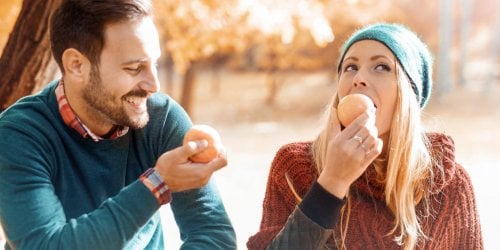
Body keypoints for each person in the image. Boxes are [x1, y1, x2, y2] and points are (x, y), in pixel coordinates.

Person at [0, 0, 236, 249]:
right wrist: (157, 184)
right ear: (76, 65)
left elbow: (213, 235)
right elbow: (44, 246)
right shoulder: (18, 136)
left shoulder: (162, 119)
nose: (153, 85)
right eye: (135, 68)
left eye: (153, 64)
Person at [247, 23, 483, 249]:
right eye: (350, 67)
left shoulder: (450, 184)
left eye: (381, 67)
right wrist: (332, 182)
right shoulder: (294, 166)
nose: (359, 78)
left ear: (408, 91)